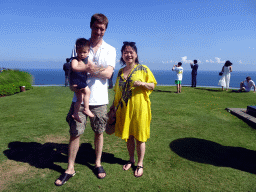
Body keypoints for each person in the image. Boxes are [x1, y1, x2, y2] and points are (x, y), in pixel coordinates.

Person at [55, 13, 116, 186]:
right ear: (91, 26)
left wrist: (87, 68)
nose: (98, 31)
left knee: (99, 131)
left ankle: (97, 163)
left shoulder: (110, 49)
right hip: (79, 97)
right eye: (96, 27)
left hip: (100, 98)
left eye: (102, 29)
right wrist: (94, 70)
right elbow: (73, 68)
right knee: (75, 133)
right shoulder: (80, 45)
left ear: (105, 29)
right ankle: (70, 168)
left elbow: (108, 73)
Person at [110, 41, 157, 178]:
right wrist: (113, 107)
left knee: (140, 137)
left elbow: (152, 85)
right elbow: (117, 91)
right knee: (129, 137)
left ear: (136, 54)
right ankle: (131, 159)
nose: (128, 54)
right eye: (125, 52)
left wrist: (142, 83)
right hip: (124, 109)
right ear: (122, 55)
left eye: (131, 52)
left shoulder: (143, 69)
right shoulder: (120, 72)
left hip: (140, 109)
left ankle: (140, 163)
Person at [69, 38, 96, 122]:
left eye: (84, 52)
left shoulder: (87, 59)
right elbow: (74, 67)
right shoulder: (75, 60)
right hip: (77, 81)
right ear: (76, 51)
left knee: (80, 99)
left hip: (81, 81)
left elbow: (93, 67)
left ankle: (75, 113)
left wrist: (97, 68)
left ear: (88, 52)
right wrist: (85, 67)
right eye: (80, 52)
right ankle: (86, 109)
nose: (82, 54)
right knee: (87, 92)